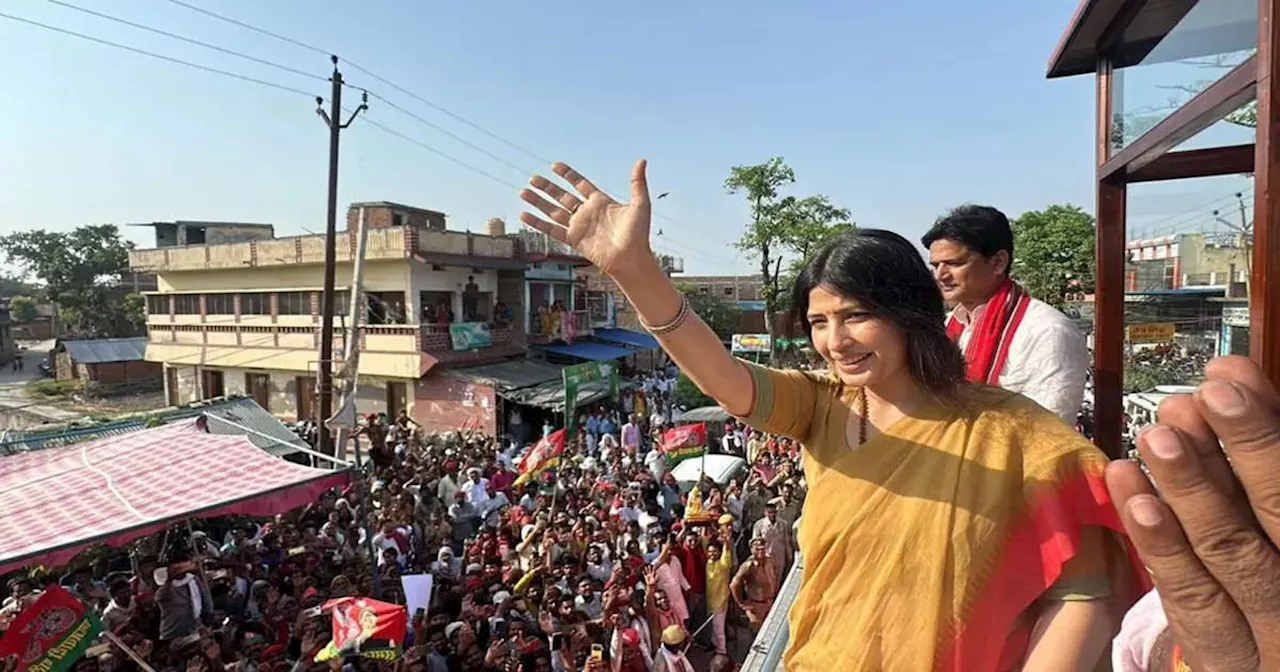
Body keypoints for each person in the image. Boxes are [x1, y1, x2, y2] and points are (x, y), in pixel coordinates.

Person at [518, 159, 1147, 670]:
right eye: (819, 322)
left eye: (854, 316)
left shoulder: (1018, 435)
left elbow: (1081, 597)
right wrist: (635, 270)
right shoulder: (821, 405)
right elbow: (724, 377)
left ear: (909, 312)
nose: (835, 341)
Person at [923, 205, 1089, 422]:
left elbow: (1048, 429)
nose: (941, 275)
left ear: (998, 262)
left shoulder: (1047, 331)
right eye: (935, 265)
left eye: (954, 263)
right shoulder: (951, 325)